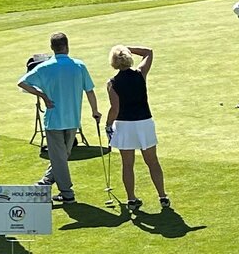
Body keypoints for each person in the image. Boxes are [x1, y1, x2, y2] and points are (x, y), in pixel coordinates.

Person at [17, 32, 99, 204]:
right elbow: (89, 91)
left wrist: (42, 96)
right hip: (73, 119)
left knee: (60, 156)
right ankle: (49, 183)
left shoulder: (46, 67)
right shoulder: (79, 65)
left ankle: (66, 193)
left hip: (54, 120)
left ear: (52, 48)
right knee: (61, 156)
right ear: (67, 45)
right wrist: (95, 111)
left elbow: (22, 82)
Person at [106, 45, 169, 214]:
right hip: (144, 123)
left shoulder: (112, 83)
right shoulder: (140, 74)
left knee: (128, 164)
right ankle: (162, 196)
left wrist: (107, 124)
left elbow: (115, 108)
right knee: (152, 161)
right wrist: (127, 48)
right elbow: (148, 52)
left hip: (124, 125)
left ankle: (132, 199)